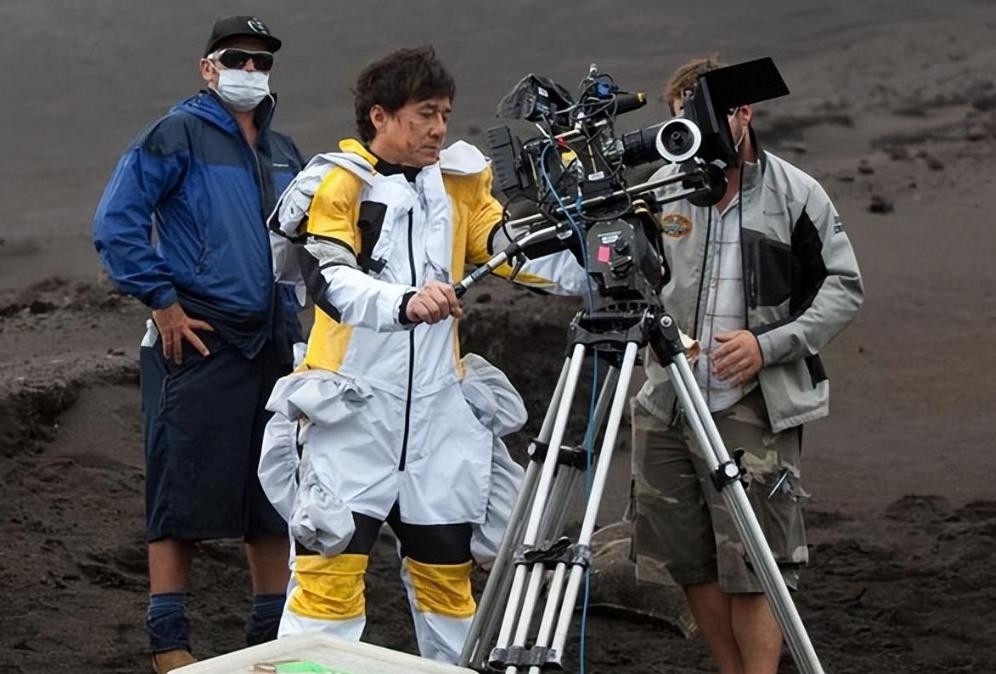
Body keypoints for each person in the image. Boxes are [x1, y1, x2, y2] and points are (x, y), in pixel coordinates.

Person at [263, 46, 585, 663]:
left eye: (444, 114)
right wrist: (404, 302)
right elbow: (330, 278)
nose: (439, 128)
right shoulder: (337, 182)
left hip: (439, 421)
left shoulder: (459, 183)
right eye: (425, 114)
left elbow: (508, 249)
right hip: (350, 417)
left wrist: (595, 260)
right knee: (327, 586)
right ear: (379, 116)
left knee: (449, 588)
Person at [629, 56, 863, 674]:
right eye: (679, 125)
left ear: (743, 113)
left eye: (702, 120)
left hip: (755, 404)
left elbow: (843, 287)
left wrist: (768, 345)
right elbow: (633, 277)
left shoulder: (796, 194)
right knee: (691, 563)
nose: (692, 137)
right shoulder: (663, 188)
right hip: (669, 399)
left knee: (755, 567)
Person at [91, 16, 304, 673]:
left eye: (262, 61)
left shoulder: (285, 152)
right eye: (237, 58)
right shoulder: (175, 133)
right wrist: (163, 302)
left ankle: (269, 637)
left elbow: (312, 242)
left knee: (272, 490)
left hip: (273, 336)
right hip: (199, 334)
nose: (251, 70)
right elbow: (116, 222)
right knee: (179, 482)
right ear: (208, 68)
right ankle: (169, 642)